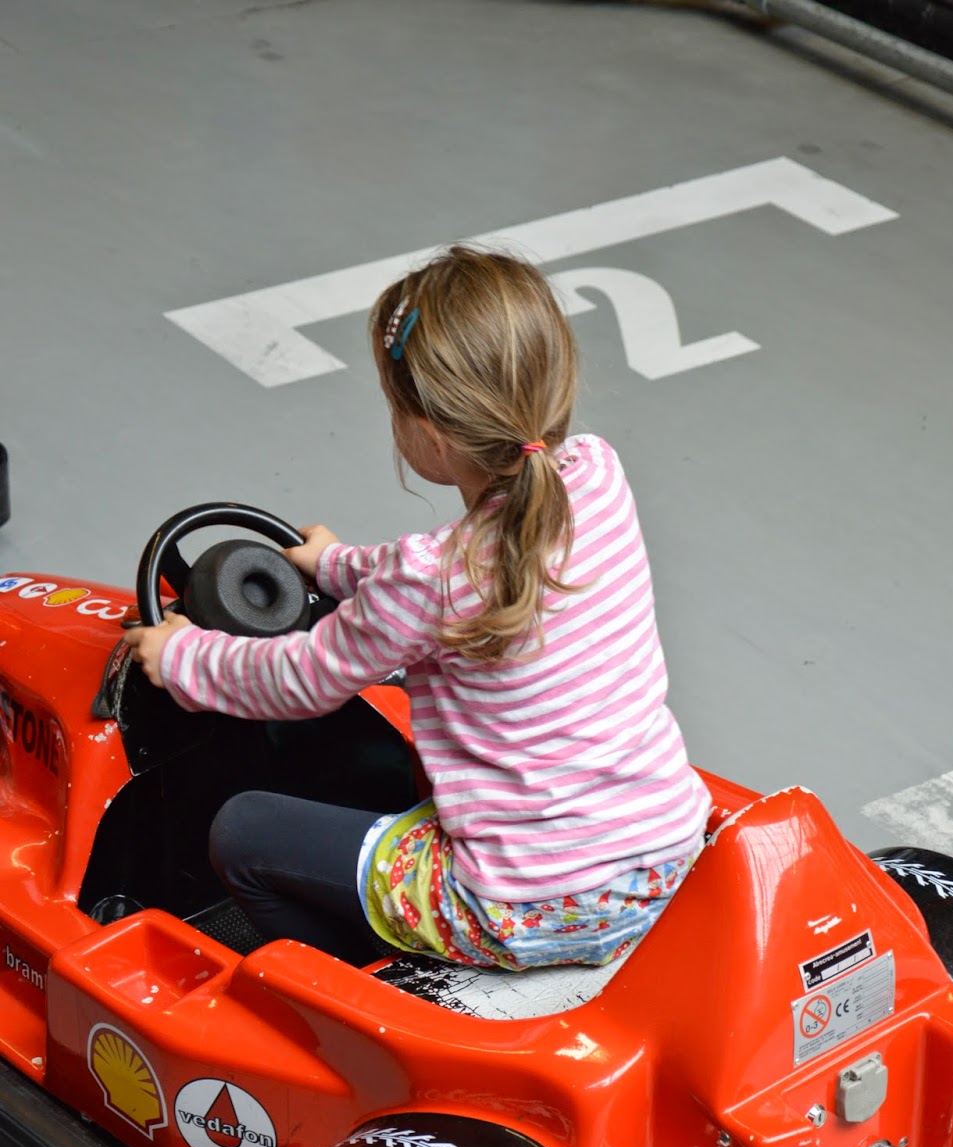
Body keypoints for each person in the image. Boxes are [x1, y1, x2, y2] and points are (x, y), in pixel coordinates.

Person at [125, 246, 710, 970]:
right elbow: (438, 574)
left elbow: (301, 679)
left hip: (517, 906)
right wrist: (338, 567)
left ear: (427, 436)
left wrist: (179, 657)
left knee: (242, 831)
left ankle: (356, 985)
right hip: (658, 856)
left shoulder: (429, 580)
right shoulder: (594, 472)